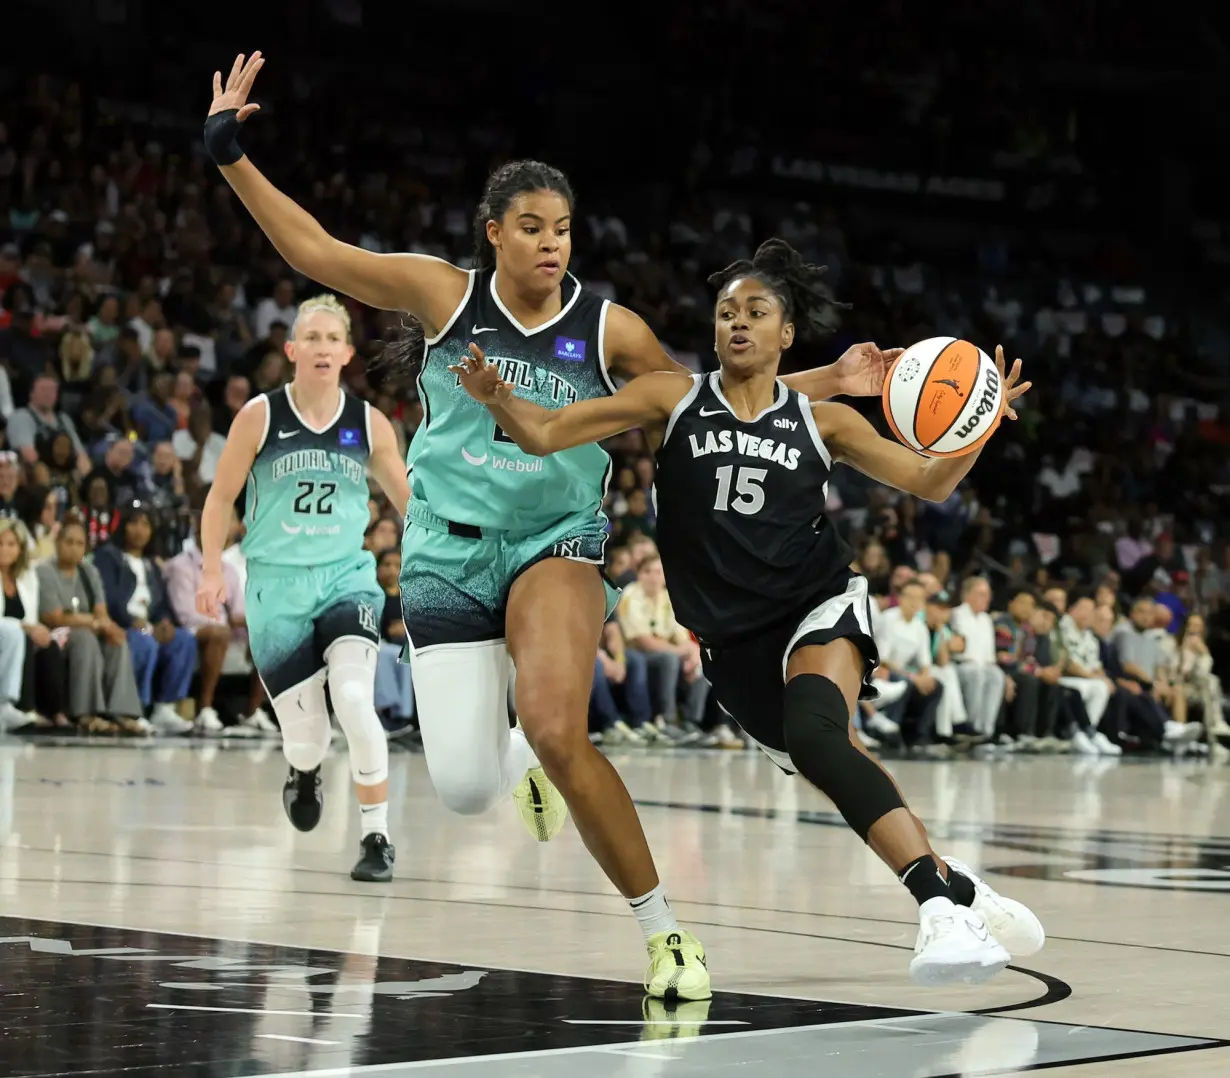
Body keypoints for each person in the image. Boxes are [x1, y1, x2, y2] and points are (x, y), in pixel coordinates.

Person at [202, 53, 901, 999]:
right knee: (463, 788)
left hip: (556, 542)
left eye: (563, 230)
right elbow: (318, 255)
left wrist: (828, 383)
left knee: (563, 730)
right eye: (531, 228)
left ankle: (665, 938)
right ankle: (524, 750)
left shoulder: (608, 329)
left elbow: (698, 402)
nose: (551, 244)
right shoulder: (444, 295)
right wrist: (231, 156)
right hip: (448, 551)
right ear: (494, 234)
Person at [451, 237, 1044, 987]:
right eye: (726, 311)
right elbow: (544, 431)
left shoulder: (824, 422)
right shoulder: (672, 399)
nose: (738, 322)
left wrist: (977, 423)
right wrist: (498, 397)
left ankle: (938, 911)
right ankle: (959, 886)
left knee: (820, 734)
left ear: (785, 333)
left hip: (816, 604)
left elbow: (928, 482)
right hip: (730, 643)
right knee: (831, 764)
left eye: (756, 311)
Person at [196, 294, 410, 883]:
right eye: (309, 338)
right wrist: (213, 570)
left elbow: (409, 502)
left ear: (346, 353)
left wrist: (443, 552)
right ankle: (305, 771)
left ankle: (376, 836)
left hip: (346, 578)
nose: (320, 347)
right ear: (292, 350)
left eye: (330, 338)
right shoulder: (260, 416)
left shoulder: (367, 423)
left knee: (355, 700)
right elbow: (219, 499)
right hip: (277, 587)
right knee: (306, 736)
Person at [95, 506, 197, 736]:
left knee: (184, 640)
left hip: (149, 625)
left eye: (146, 525)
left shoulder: (152, 565)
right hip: (124, 625)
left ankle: (165, 707)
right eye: (134, 523)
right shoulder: (109, 556)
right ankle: (135, 709)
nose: (139, 531)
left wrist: (164, 621)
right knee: (144, 642)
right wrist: (132, 620)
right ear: (123, 526)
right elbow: (108, 597)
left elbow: (161, 603)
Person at [36, 516, 144, 732]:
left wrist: (106, 626)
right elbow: (55, 616)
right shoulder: (44, 571)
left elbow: (101, 612)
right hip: (55, 634)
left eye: (80, 544)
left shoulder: (89, 572)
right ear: (57, 542)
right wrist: (94, 623)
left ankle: (120, 712)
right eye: (69, 542)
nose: (74, 549)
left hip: (88, 628)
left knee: (117, 639)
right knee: (85, 639)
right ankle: (85, 713)